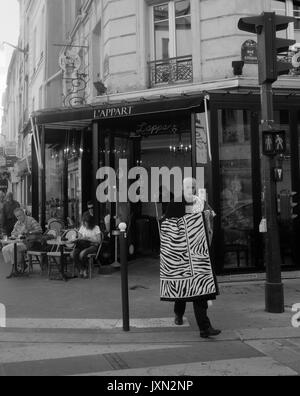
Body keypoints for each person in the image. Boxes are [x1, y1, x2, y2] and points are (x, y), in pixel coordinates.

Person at [163, 177, 221, 339]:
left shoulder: (201, 203)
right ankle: (179, 314)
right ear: (183, 187)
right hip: (182, 254)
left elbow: (211, 221)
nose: (192, 189)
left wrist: (206, 215)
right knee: (182, 290)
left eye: (194, 186)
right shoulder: (176, 203)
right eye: (189, 186)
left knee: (201, 292)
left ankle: (204, 328)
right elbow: (168, 226)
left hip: (199, 253)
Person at [2, 208, 43, 278]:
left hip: (30, 242)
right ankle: (18, 265)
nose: (19, 217)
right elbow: (13, 233)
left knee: (13, 249)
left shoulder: (30, 220)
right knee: (4, 249)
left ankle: (18, 266)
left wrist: (29, 232)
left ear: (24, 214)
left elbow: (39, 230)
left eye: (20, 215)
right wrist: (17, 234)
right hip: (19, 242)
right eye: (17, 216)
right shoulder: (18, 223)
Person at [71, 213, 102, 279]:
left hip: (92, 245)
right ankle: (82, 269)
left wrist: (89, 239)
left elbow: (99, 241)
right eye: (84, 223)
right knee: (73, 254)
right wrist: (78, 239)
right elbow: (79, 238)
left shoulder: (96, 227)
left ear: (90, 223)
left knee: (82, 254)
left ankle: (83, 270)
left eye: (86, 223)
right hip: (82, 245)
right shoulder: (82, 227)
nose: (84, 224)